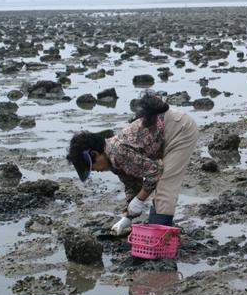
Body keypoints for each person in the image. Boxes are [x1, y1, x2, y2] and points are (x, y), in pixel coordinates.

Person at [67, 93, 198, 235]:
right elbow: (132, 185)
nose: (96, 171)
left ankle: (160, 239)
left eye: (93, 167)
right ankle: (158, 227)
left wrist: (140, 200)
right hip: (167, 130)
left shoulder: (118, 152)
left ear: (95, 154)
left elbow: (155, 172)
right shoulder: (113, 162)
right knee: (160, 188)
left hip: (179, 129)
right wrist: (127, 216)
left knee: (165, 186)